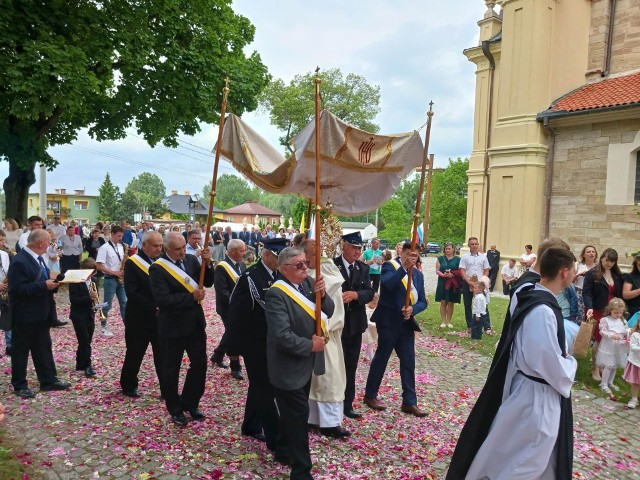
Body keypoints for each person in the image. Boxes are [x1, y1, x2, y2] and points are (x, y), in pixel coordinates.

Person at [447, 247, 578, 480]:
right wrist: (570, 362)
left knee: (520, 457)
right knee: (526, 461)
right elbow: (547, 363)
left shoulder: (532, 296)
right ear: (564, 272)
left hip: (528, 392)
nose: (575, 276)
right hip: (537, 399)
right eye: (574, 271)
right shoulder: (543, 311)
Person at [265, 246, 333, 480]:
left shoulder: (308, 283)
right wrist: (309, 345)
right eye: (299, 265)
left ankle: (283, 450)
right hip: (288, 366)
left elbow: (328, 312)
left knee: (292, 414)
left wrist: (322, 295)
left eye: (306, 262)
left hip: (306, 364)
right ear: (284, 269)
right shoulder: (276, 294)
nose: (306, 267)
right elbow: (281, 335)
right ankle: (301, 470)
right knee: (298, 415)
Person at [226, 237, 290, 461]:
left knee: (260, 387)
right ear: (266, 255)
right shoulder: (251, 277)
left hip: (275, 343)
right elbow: (235, 313)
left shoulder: (282, 275)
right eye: (278, 257)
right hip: (255, 343)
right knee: (266, 390)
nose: (281, 261)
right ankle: (277, 443)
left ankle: (251, 425)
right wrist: (233, 348)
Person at [149, 232, 214, 426]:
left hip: (194, 323)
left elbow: (208, 282)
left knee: (200, 364)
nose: (182, 252)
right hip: (172, 326)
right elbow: (163, 300)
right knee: (171, 369)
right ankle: (175, 408)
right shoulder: (157, 269)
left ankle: (191, 401)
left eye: (184, 247)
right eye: (178, 249)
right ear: (166, 249)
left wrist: (208, 264)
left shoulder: (192, 261)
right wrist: (190, 297)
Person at [363, 242, 428, 417]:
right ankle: (370, 395)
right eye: (409, 254)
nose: (412, 258)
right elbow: (388, 285)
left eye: (415, 255)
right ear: (403, 253)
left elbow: (422, 300)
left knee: (408, 362)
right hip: (388, 321)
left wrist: (413, 309)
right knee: (382, 358)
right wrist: (404, 268)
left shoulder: (419, 276)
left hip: (406, 324)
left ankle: (409, 401)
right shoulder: (390, 267)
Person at [9, 229, 71, 399]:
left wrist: (55, 282)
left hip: (41, 313)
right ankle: (20, 385)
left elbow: (40, 280)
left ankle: (48, 380)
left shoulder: (37, 259)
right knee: (21, 350)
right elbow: (17, 289)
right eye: (50, 242)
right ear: (41, 243)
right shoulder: (20, 261)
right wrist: (44, 286)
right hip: (25, 315)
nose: (51, 245)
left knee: (43, 347)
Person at [302, 239, 349, 438]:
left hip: (327, 334)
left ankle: (329, 422)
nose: (307, 259)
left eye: (311, 254)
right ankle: (311, 418)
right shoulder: (303, 274)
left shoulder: (328, 274)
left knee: (328, 379)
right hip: (307, 336)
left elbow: (335, 307)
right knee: (311, 381)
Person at [119, 231, 165, 398]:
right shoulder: (133, 263)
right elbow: (132, 292)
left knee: (162, 354)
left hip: (160, 318)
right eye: (155, 245)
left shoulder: (163, 262)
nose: (159, 249)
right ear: (144, 245)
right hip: (138, 317)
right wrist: (155, 307)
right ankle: (128, 385)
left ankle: (166, 388)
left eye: (161, 245)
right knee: (135, 352)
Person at [333, 232, 374, 419]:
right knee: (335, 365)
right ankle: (333, 402)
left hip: (355, 325)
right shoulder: (333, 265)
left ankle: (347, 403)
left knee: (351, 364)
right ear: (344, 247)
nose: (358, 252)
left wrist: (356, 295)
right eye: (354, 248)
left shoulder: (362, 268)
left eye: (360, 248)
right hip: (337, 324)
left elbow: (369, 292)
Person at [583, 248, 624, 382]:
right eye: (607, 260)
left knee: (608, 340)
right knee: (599, 340)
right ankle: (595, 368)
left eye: (612, 261)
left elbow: (619, 294)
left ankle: (602, 366)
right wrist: (589, 307)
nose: (608, 264)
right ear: (601, 258)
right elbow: (586, 293)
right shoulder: (592, 274)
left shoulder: (617, 275)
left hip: (612, 312)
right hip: (597, 310)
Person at [211, 238, 247, 380]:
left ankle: (218, 354)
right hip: (227, 308)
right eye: (242, 250)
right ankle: (235, 367)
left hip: (239, 307)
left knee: (231, 332)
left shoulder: (241, 265)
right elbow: (221, 290)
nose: (245, 253)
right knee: (233, 335)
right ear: (232, 251)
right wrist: (236, 303)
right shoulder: (222, 267)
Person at [95, 225, 128, 337]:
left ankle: (128, 326)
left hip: (120, 279)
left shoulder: (121, 246)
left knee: (125, 303)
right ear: (112, 234)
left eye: (121, 236)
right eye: (118, 236)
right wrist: (114, 272)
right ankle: (103, 327)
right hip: (110, 279)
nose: (120, 238)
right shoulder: (104, 247)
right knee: (107, 305)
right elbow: (98, 266)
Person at [69, 257, 98, 377]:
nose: (91, 275)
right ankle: (87, 365)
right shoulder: (75, 281)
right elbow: (74, 300)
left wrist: (97, 305)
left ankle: (80, 362)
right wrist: (89, 298)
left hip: (89, 313)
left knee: (87, 339)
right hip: (78, 314)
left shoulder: (94, 280)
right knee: (84, 339)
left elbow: (95, 297)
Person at [596, 298, 629, 395]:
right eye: (616, 313)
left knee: (615, 365)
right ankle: (603, 383)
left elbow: (625, 330)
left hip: (619, 346)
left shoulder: (623, 321)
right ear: (610, 310)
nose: (618, 314)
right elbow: (602, 331)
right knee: (609, 365)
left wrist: (628, 333)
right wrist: (611, 335)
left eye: (620, 312)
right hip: (609, 345)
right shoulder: (605, 320)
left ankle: (610, 382)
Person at [459, 237, 490, 332]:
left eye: (476, 244)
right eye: (472, 244)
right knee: (468, 304)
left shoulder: (483, 257)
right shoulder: (465, 257)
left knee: (482, 304)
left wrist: (482, 281)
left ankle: (486, 326)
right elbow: (462, 270)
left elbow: (486, 270)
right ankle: (470, 325)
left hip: (479, 283)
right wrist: (468, 282)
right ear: (469, 245)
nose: (474, 246)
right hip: (468, 282)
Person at [435, 242, 461, 328]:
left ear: (453, 249)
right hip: (442, 281)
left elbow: (460, 271)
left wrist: (452, 274)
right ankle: (443, 321)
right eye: (446, 249)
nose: (447, 250)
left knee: (450, 302)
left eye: (449, 249)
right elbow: (437, 270)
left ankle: (449, 321)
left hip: (453, 283)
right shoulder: (440, 258)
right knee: (443, 301)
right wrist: (443, 275)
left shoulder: (458, 259)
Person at [623, 318, 640, 409]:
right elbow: (632, 347)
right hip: (636, 362)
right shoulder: (635, 335)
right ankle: (634, 398)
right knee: (636, 382)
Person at [0, 230, 12, 356]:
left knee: (7, 317)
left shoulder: (4, 254)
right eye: (0, 240)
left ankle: (10, 346)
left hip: (4, 289)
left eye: (3, 240)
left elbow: (7, 270)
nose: (3, 243)